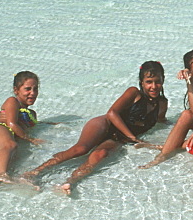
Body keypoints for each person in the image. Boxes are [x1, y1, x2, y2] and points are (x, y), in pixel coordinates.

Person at [21, 62, 168, 195]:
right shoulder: (134, 92)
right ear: (141, 82)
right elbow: (112, 113)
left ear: (163, 81)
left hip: (119, 137)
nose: (153, 86)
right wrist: (132, 137)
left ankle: (69, 182)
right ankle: (34, 173)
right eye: (149, 82)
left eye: (158, 82)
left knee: (100, 154)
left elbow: (161, 122)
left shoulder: (161, 104)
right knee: (80, 149)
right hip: (105, 124)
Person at [0, 71, 46, 186]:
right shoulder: (13, 101)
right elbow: (12, 124)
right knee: (10, 145)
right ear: (16, 90)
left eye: (35, 89)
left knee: (9, 157)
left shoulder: (32, 113)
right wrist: (30, 139)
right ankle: (0, 174)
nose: (32, 93)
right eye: (27, 89)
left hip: (5, 137)